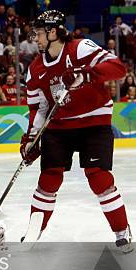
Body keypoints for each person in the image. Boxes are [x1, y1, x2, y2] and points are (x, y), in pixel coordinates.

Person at [20, 10, 131, 252]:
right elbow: (39, 107)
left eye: (39, 33)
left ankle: (122, 230)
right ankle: (32, 234)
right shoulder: (35, 69)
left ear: (52, 32)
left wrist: (87, 74)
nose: (35, 38)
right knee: (48, 179)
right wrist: (31, 139)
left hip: (94, 122)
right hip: (59, 127)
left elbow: (118, 68)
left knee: (98, 177)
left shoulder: (80, 48)